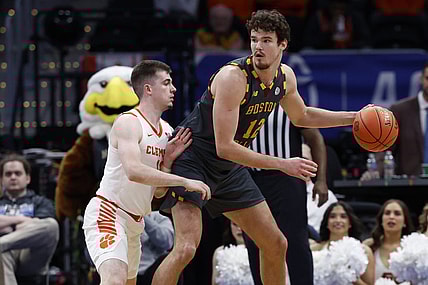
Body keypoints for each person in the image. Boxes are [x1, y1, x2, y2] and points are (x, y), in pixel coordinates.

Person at [153, 9, 359, 285]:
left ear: (282, 44)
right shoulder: (233, 77)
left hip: (227, 169)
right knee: (186, 249)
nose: (258, 47)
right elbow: (225, 146)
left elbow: (303, 116)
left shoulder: (285, 77)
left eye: (266, 40)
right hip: (193, 161)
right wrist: (284, 163)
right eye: (253, 40)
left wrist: (355, 118)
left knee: (276, 243)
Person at [82, 60, 210, 285]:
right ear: (148, 89)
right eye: (167, 83)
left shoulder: (168, 131)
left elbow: (158, 194)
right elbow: (133, 171)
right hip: (109, 212)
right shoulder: (128, 122)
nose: (174, 89)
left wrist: (168, 161)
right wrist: (185, 181)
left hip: (136, 221)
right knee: (114, 280)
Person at [242, 105, 331, 285]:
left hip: (287, 179)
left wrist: (321, 180)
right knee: (254, 242)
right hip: (250, 178)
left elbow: (315, 139)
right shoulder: (240, 100)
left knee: (296, 241)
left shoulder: (287, 100)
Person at [361, 62, 428, 180]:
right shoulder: (400, 110)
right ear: (421, 79)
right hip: (409, 185)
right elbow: (385, 146)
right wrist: (375, 170)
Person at [0, 154, 59, 285]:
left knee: (51, 225)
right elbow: (32, 224)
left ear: (27, 178)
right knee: (2, 253)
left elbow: (43, 227)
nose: (13, 177)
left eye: (18, 173)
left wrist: (7, 224)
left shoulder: (40, 202)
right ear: (1, 180)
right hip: (6, 254)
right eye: (8, 174)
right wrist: (21, 220)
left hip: (31, 253)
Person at [311, 201, 375, 285]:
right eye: (333, 216)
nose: (338, 220)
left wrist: (351, 277)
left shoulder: (364, 251)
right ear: (327, 223)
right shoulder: (315, 249)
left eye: (343, 216)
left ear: (350, 223)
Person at [363, 199, 415, 281]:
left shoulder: (412, 248)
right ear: (381, 220)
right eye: (387, 213)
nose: (391, 217)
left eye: (397, 214)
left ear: (405, 222)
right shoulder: (369, 246)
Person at [303, 143, 338, 234]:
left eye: (305, 160)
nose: (301, 164)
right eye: (297, 159)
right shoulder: (281, 194)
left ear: (313, 163)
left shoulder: (329, 197)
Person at [136, 211, 175, 285]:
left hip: (152, 271)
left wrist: (143, 217)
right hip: (128, 271)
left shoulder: (160, 217)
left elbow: (167, 243)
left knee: (172, 258)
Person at [211, 220, 253, 285]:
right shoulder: (220, 252)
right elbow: (215, 282)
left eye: (243, 224)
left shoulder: (259, 251)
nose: (239, 228)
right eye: (235, 224)